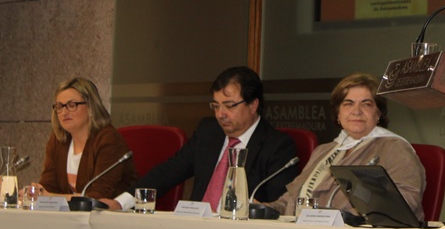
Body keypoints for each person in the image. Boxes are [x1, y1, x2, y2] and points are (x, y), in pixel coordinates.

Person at [100, 66, 297, 212]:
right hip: (195, 228)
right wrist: (121, 202)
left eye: (229, 105)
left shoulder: (277, 146)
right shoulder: (208, 132)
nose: (220, 114)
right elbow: (169, 171)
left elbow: (279, 206)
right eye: (216, 106)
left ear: (253, 105)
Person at [263, 73, 426, 220]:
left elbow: (407, 201)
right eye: (348, 104)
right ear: (338, 114)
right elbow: (292, 199)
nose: (356, 111)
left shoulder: (395, 148)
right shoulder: (324, 151)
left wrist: (350, 217)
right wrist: (265, 208)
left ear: (378, 114)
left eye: (366, 104)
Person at [36, 77, 138, 200]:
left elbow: (98, 196)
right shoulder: (58, 140)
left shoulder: (108, 140)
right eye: (59, 106)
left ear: (90, 107)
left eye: (71, 105)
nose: (64, 112)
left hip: (111, 212)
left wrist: (51, 197)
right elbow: (48, 186)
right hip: (71, 212)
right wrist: (35, 193)